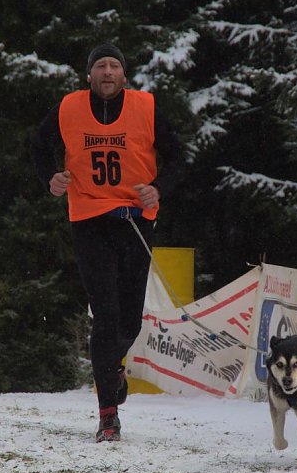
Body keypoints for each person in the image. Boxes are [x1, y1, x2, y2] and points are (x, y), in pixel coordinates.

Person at [32, 43, 183, 442]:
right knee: (106, 312)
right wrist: (51, 177)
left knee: (130, 320)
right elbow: (38, 146)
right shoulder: (68, 108)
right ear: (89, 75)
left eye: (115, 65)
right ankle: (108, 416)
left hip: (135, 222)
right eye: (100, 65)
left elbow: (178, 157)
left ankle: (113, 368)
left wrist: (158, 188)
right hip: (89, 221)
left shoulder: (146, 107)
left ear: (124, 75)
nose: (108, 71)